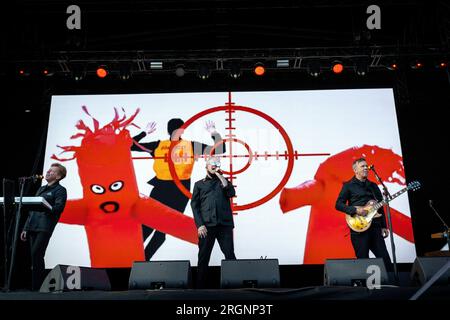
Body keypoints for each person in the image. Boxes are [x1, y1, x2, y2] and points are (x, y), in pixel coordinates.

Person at [131, 118, 225, 260]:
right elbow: (129, 146)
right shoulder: (160, 145)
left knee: (160, 229)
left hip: (179, 191)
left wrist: (144, 133)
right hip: (162, 190)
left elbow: (220, 150)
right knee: (151, 227)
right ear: (182, 129)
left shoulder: (188, 145)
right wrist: (212, 131)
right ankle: (133, 260)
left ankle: (142, 261)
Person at [335, 157, 392, 271]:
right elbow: (338, 204)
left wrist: (384, 225)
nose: (366, 168)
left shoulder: (373, 186)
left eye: (366, 166)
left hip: (375, 227)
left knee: (385, 260)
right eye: (363, 166)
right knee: (363, 261)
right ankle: (364, 288)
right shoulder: (348, 186)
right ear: (355, 170)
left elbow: (380, 207)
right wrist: (355, 210)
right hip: (359, 228)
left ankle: (391, 286)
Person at [20, 163, 68, 291]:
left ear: (58, 176)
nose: (48, 172)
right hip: (32, 225)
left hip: (44, 226)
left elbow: (59, 208)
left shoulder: (60, 190)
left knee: (37, 254)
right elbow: (32, 210)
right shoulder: (41, 189)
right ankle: (37, 286)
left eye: (52, 171)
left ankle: (38, 286)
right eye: (48, 170)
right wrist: (25, 228)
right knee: (34, 256)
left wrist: (45, 205)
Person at [190, 156, 236, 288]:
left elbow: (231, 193)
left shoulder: (224, 182)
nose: (215, 166)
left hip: (224, 225)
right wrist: (200, 225)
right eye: (212, 164)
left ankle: (234, 286)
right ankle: (200, 288)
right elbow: (195, 206)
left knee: (229, 254)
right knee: (203, 257)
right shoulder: (199, 184)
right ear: (206, 167)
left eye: (217, 164)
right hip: (207, 226)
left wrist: (220, 176)